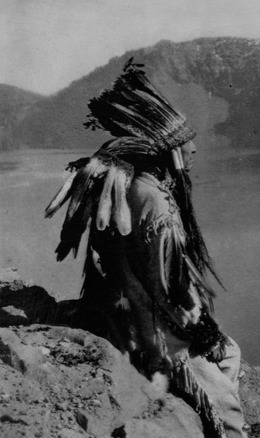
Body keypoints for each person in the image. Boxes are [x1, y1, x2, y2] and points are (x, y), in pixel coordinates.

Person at [44, 58, 248, 438]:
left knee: (230, 351)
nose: (195, 150)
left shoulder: (138, 188)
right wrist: (201, 331)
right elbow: (164, 288)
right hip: (155, 335)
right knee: (230, 421)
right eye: (188, 144)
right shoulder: (153, 201)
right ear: (171, 151)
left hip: (131, 314)